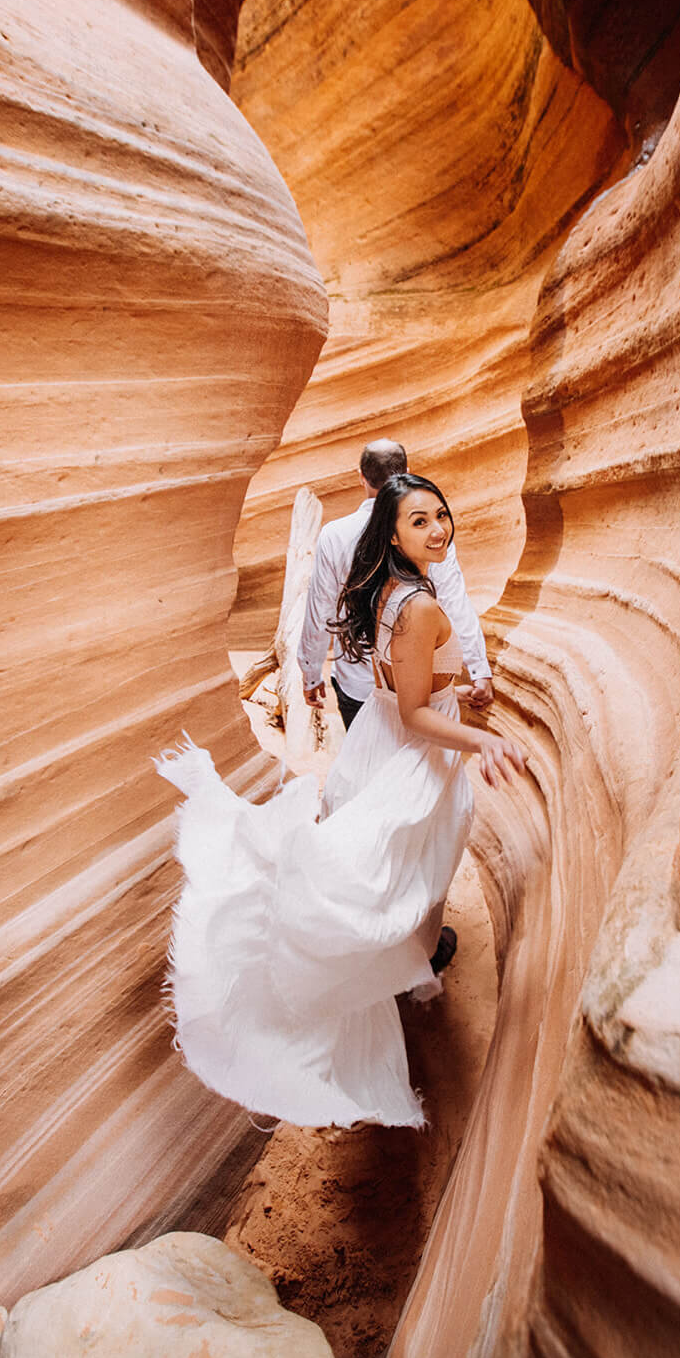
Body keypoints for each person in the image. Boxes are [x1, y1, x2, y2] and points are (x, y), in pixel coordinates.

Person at [155, 473, 526, 1129]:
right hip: (409, 754)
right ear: (391, 531)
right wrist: (478, 739)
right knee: (408, 871)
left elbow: (399, 685)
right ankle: (400, 966)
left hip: (372, 742)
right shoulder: (422, 605)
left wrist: (452, 691)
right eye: (419, 521)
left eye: (441, 515)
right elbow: (415, 712)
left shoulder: (385, 589)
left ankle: (406, 961)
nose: (438, 529)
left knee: (390, 868)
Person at [299, 439, 493, 729]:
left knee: (365, 767)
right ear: (406, 473)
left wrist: (311, 672)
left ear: (361, 476)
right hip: (415, 685)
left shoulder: (334, 535)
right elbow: (453, 599)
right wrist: (479, 670)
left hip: (357, 684)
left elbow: (321, 608)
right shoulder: (430, 533)